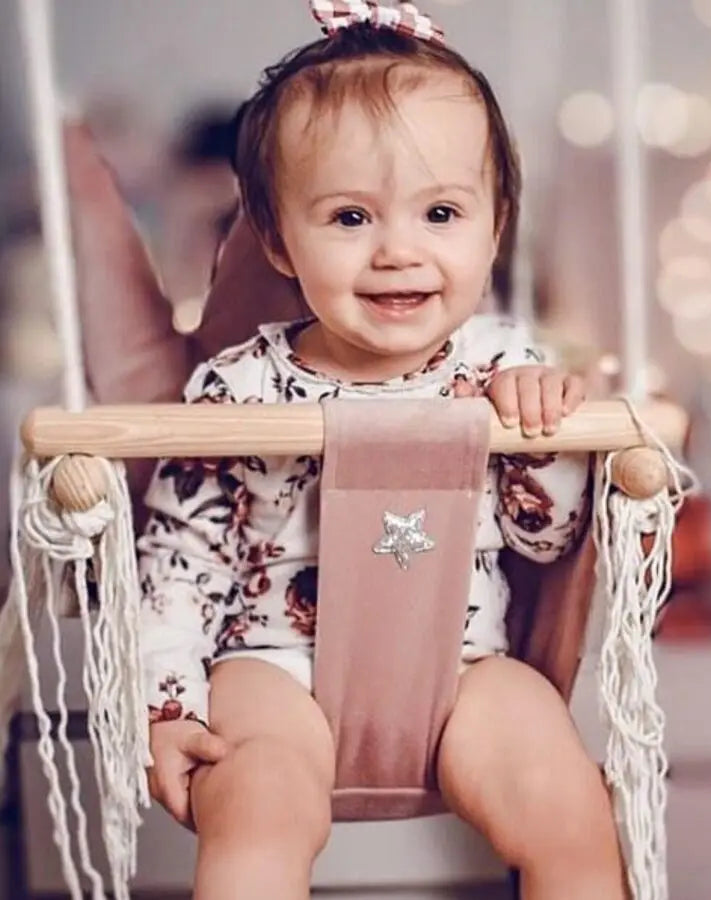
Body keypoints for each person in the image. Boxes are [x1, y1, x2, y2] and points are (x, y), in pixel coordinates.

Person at [137, 4, 626, 899]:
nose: (399, 251)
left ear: (495, 224)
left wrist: (542, 439)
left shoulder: (504, 369)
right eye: (351, 217)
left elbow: (550, 544)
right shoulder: (238, 390)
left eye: (440, 211)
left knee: (574, 807)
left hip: (465, 667)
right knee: (256, 806)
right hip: (273, 666)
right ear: (278, 237)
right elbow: (177, 563)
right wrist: (166, 709)